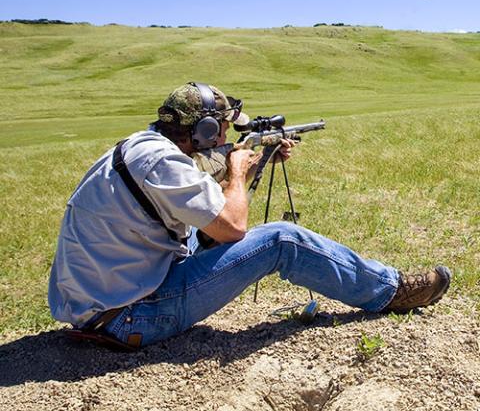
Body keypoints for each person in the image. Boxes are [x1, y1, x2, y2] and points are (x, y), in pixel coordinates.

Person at [48, 82, 451, 349]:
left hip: (100, 307)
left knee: (202, 234)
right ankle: (391, 290)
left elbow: (202, 213)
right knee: (281, 240)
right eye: (221, 131)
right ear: (204, 131)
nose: (224, 140)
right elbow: (232, 227)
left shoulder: (140, 147)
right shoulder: (166, 165)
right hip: (133, 317)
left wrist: (258, 159)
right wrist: (238, 170)